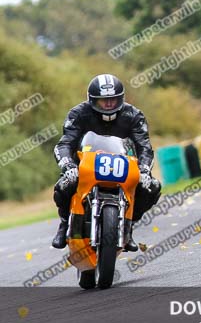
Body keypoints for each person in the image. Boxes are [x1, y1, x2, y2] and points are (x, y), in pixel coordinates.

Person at [51, 74, 161, 251]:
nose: (109, 104)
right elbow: (64, 143)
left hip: (123, 165)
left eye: (113, 99)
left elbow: (145, 147)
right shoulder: (78, 113)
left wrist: (144, 170)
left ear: (121, 98)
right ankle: (64, 223)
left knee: (152, 188)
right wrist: (68, 165)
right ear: (93, 100)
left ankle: (128, 227)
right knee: (65, 183)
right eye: (104, 100)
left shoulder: (134, 115)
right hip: (85, 165)